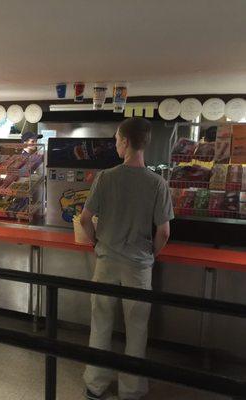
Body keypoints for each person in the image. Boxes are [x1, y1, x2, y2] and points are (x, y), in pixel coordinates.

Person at [80, 117, 173, 400]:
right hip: (138, 267)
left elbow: (85, 219)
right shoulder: (158, 184)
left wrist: (97, 242)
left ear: (126, 142)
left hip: (106, 261)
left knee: (101, 324)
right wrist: (149, 254)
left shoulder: (105, 178)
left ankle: (95, 385)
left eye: (117, 139)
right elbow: (164, 232)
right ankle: (131, 390)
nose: (116, 144)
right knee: (136, 329)